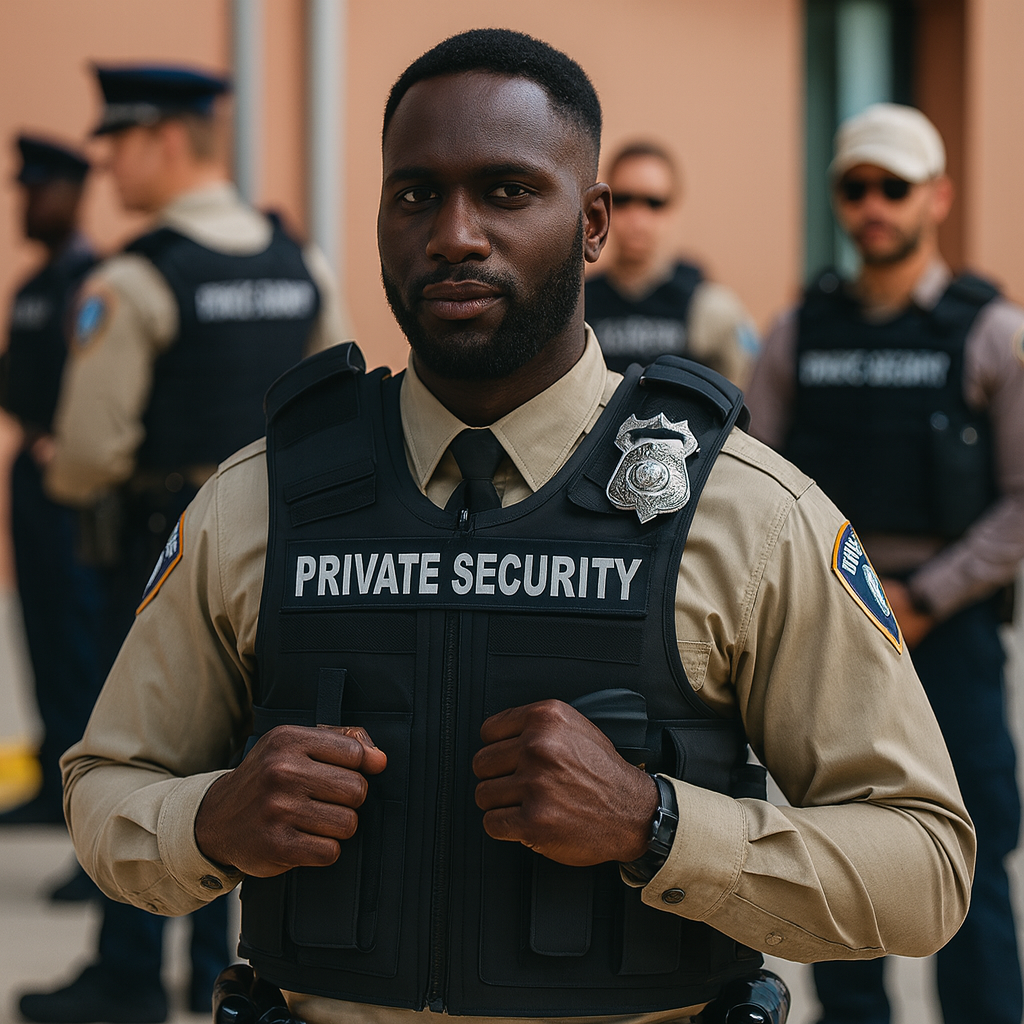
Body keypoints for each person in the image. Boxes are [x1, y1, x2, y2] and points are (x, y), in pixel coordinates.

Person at [60, 32, 973, 1024]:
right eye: (415, 195)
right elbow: (107, 785)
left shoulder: (744, 512)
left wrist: (659, 827)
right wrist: (208, 821)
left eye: (506, 191)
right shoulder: (257, 503)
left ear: (591, 223)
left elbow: (926, 865)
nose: (454, 235)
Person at [18, 65, 348, 1024]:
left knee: (142, 765)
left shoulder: (137, 276)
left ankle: (127, 972)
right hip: (286, 554)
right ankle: (219, 968)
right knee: (252, 758)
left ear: (163, 141)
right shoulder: (299, 260)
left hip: (155, 560)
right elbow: (340, 399)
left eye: (117, 145)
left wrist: (72, 473)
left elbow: (87, 455)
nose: (108, 168)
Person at [745, 102, 1024, 1024]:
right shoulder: (798, 332)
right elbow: (749, 481)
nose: (873, 205)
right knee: (837, 855)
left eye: (894, 188)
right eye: (856, 187)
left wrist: (927, 594)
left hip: (950, 627)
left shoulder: (991, 332)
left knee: (973, 853)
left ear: (937, 197)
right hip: (831, 630)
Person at [0, 135, 102, 827]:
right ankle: (48, 780)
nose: (25, 205)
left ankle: (82, 793)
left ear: (70, 194)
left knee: (79, 630)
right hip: (32, 476)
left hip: (77, 486)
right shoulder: (33, 289)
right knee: (39, 625)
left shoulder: (96, 282)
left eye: (37, 191)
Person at [585, 141, 759, 386]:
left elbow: (744, 394)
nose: (638, 219)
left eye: (654, 203)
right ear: (603, 207)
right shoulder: (580, 305)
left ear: (673, 208)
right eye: (623, 200)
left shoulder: (711, 308)